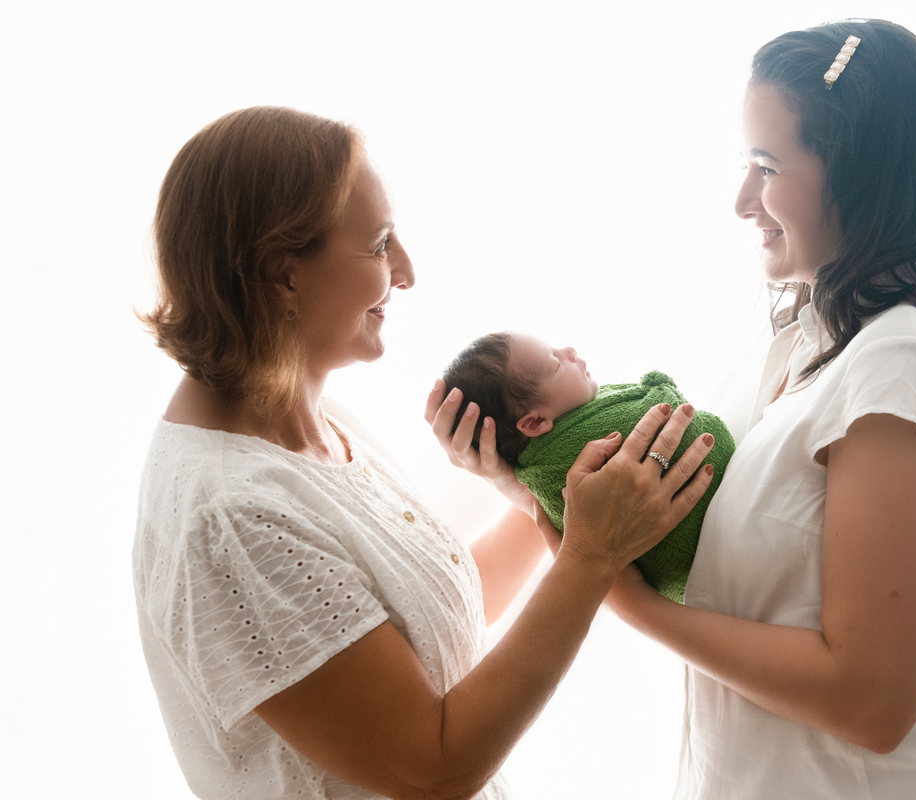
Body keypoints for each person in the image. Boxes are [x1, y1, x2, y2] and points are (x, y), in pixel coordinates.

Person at [431, 17, 916, 800]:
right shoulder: (796, 337)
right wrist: (529, 484)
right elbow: (674, 529)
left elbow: (872, 702)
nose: (743, 198)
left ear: (860, 172)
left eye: (766, 165)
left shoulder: (906, 363)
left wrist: (627, 603)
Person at [131, 106, 716, 800]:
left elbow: (428, 626)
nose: (405, 273)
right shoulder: (231, 516)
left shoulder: (317, 424)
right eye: (379, 245)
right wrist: (590, 555)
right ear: (284, 276)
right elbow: (433, 767)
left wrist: (527, 494)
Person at [440, 332, 736, 602]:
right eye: (555, 363)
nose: (568, 350)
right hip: (718, 553)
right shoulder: (566, 457)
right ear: (534, 423)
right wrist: (661, 390)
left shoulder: (576, 419)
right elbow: (663, 405)